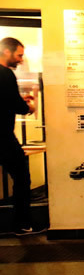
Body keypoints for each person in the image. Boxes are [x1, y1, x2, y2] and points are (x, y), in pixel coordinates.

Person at [0, 37, 37, 236]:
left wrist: (19, 100)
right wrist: (28, 106)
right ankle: (22, 224)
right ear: (7, 51)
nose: (21, 60)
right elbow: (16, 106)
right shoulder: (5, 73)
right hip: (3, 138)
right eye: (19, 55)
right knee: (22, 177)